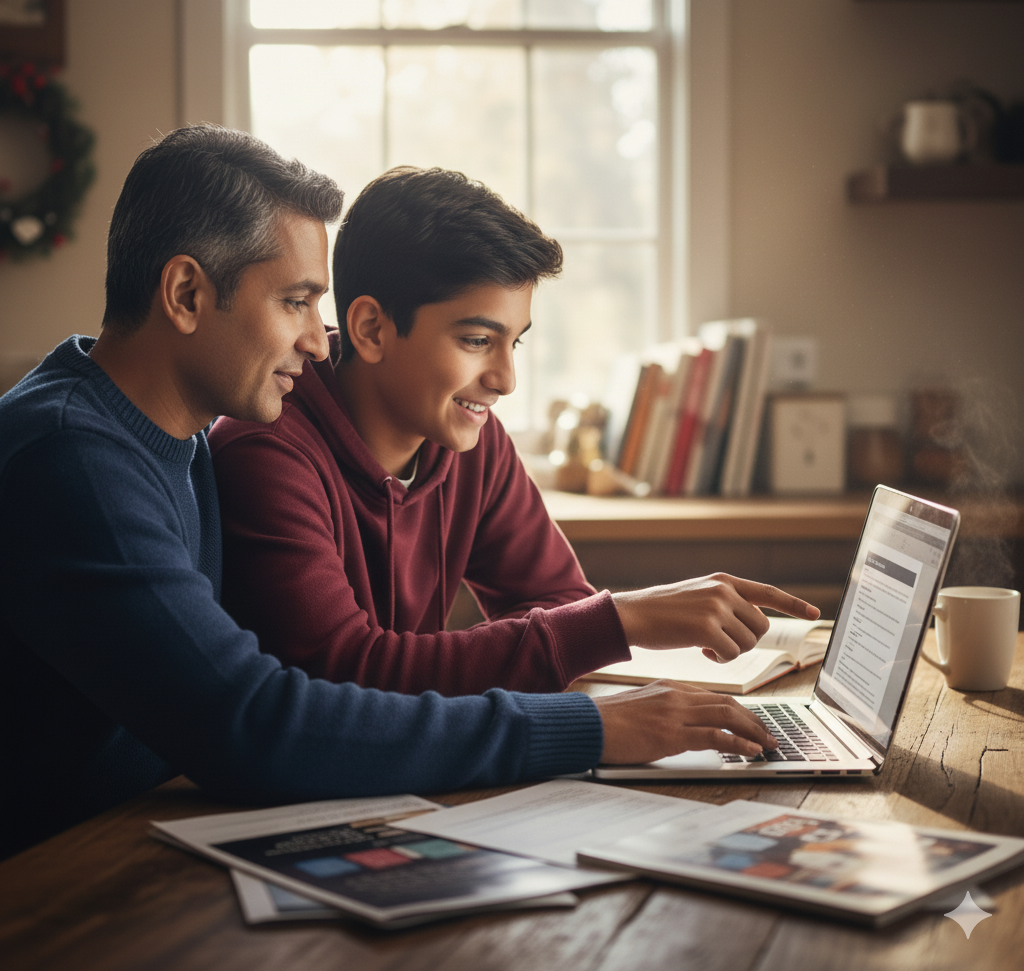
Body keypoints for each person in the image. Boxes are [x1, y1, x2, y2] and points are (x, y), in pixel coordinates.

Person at [0, 125, 793, 862]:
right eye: (296, 302)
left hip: (145, 832)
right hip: (53, 876)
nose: (319, 340)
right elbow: (253, 723)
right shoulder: (73, 457)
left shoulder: (172, 437)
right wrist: (584, 727)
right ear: (185, 294)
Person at [209, 166, 819, 697]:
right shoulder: (265, 450)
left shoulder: (468, 437)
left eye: (514, 342)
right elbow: (345, 673)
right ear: (370, 329)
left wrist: (584, 630)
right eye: (477, 341)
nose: (504, 380)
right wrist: (618, 620)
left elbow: (555, 606)